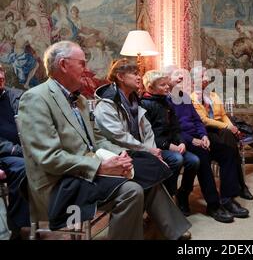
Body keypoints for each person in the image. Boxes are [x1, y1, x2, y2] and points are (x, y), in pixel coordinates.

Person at [16, 41, 190, 240]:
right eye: (82, 63)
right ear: (63, 64)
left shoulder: (79, 100)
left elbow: (98, 139)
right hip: (60, 182)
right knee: (131, 190)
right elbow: (49, 158)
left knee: (147, 170)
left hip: (87, 171)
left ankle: (173, 231)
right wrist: (99, 166)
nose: (86, 69)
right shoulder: (35, 99)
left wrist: (120, 156)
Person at [93, 58, 192, 239]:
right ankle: (170, 228)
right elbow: (118, 136)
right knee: (153, 172)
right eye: (134, 73)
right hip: (115, 151)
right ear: (121, 76)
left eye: (139, 74)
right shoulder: (106, 103)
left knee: (154, 172)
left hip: (138, 150)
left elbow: (147, 130)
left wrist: (153, 151)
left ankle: (167, 226)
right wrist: (149, 152)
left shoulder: (133, 99)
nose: (139, 77)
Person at [164, 65, 249, 222]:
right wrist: (193, 140)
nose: (182, 78)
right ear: (166, 79)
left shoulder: (184, 96)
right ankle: (214, 204)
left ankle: (227, 199)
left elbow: (197, 120)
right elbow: (172, 131)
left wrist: (204, 136)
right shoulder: (165, 101)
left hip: (198, 137)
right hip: (182, 141)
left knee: (227, 152)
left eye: (183, 75)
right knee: (203, 156)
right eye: (177, 75)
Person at [140, 70, 200, 216]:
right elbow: (149, 135)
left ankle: (183, 194)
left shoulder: (166, 101)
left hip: (172, 144)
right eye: (162, 85)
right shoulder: (145, 105)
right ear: (150, 88)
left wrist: (181, 142)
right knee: (177, 159)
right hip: (155, 147)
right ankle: (167, 200)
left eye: (167, 84)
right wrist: (169, 146)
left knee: (194, 160)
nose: (167, 87)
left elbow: (176, 127)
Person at [191, 67, 253, 200]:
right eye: (203, 76)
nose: (207, 79)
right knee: (229, 142)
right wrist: (228, 127)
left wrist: (232, 126)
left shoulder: (213, 95)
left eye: (206, 76)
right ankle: (241, 186)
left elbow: (224, 115)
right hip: (206, 131)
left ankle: (239, 186)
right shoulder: (192, 99)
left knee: (228, 137)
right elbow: (204, 121)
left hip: (222, 130)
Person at [0, 64, 30, 239]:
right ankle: (19, 226)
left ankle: (54, 215)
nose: (0, 76)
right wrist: (16, 149)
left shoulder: (18, 96)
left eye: (1, 72)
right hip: (5, 153)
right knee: (23, 167)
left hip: (24, 149)